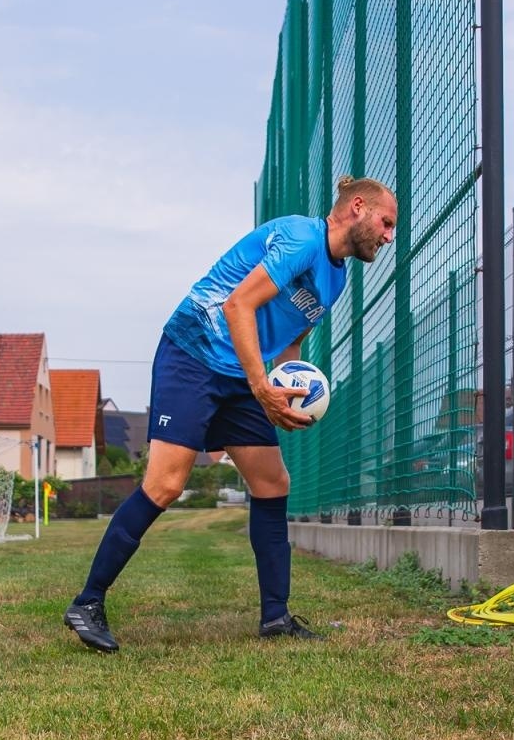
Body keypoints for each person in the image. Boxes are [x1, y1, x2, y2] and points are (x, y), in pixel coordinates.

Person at [63, 175, 399, 651]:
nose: (389, 236)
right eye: (387, 223)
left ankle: (276, 617)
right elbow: (239, 304)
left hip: (244, 372)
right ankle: (88, 602)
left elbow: (293, 337)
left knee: (272, 482)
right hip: (194, 353)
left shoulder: (338, 276)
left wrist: (290, 388)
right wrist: (262, 387)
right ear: (358, 207)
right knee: (166, 484)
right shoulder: (301, 238)